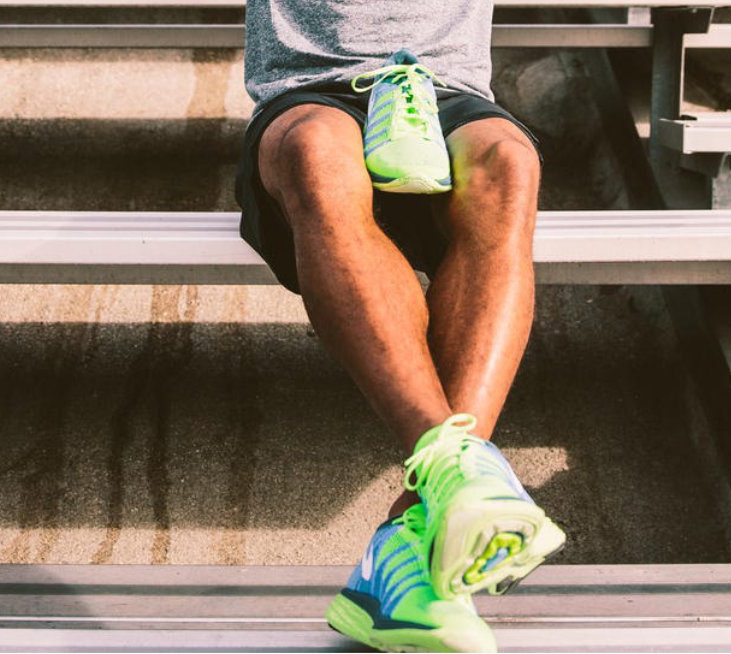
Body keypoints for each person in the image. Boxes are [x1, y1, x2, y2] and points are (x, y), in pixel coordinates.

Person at [236, 0, 564, 650]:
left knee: (509, 162)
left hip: (446, 93)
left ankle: (417, 526)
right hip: (311, 95)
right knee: (314, 150)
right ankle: (456, 475)